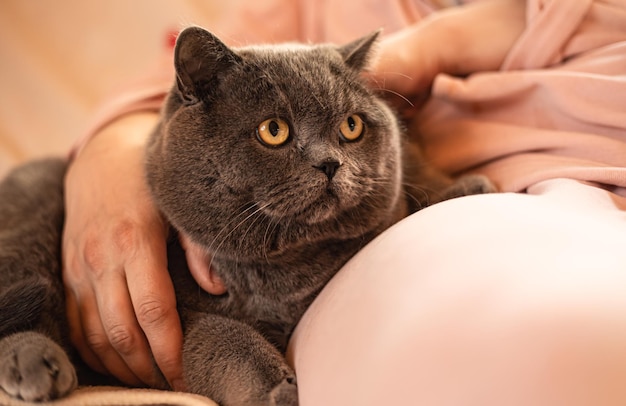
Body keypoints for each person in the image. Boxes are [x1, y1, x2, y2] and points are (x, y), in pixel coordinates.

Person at [62, 0, 626, 404]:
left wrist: (438, 43)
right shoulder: (293, 8)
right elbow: (159, 96)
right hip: (419, 235)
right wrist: (108, 168)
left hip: (584, 179)